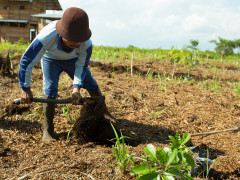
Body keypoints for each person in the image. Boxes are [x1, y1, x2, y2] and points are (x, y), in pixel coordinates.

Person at [18, 7, 103, 142]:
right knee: (50, 88)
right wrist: (25, 88)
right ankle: (48, 130)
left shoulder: (86, 43)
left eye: (77, 43)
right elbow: (27, 61)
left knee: (90, 82)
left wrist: (76, 89)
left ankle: (103, 111)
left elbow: (81, 66)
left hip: (73, 61)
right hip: (50, 59)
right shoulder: (46, 36)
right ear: (62, 34)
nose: (75, 45)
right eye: (70, 43)